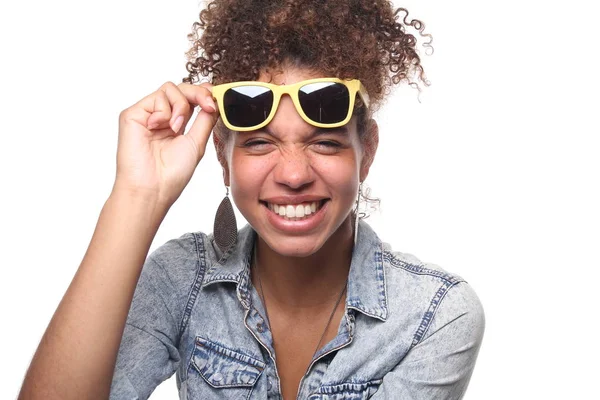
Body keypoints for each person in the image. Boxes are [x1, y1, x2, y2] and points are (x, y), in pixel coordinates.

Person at [18, 0, 484, 399]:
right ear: (222, 155)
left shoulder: (434, 314)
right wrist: (138, 196)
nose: (294, 174)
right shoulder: (182, 279)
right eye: (260, 142)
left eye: (324, 142)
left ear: (368, 153)